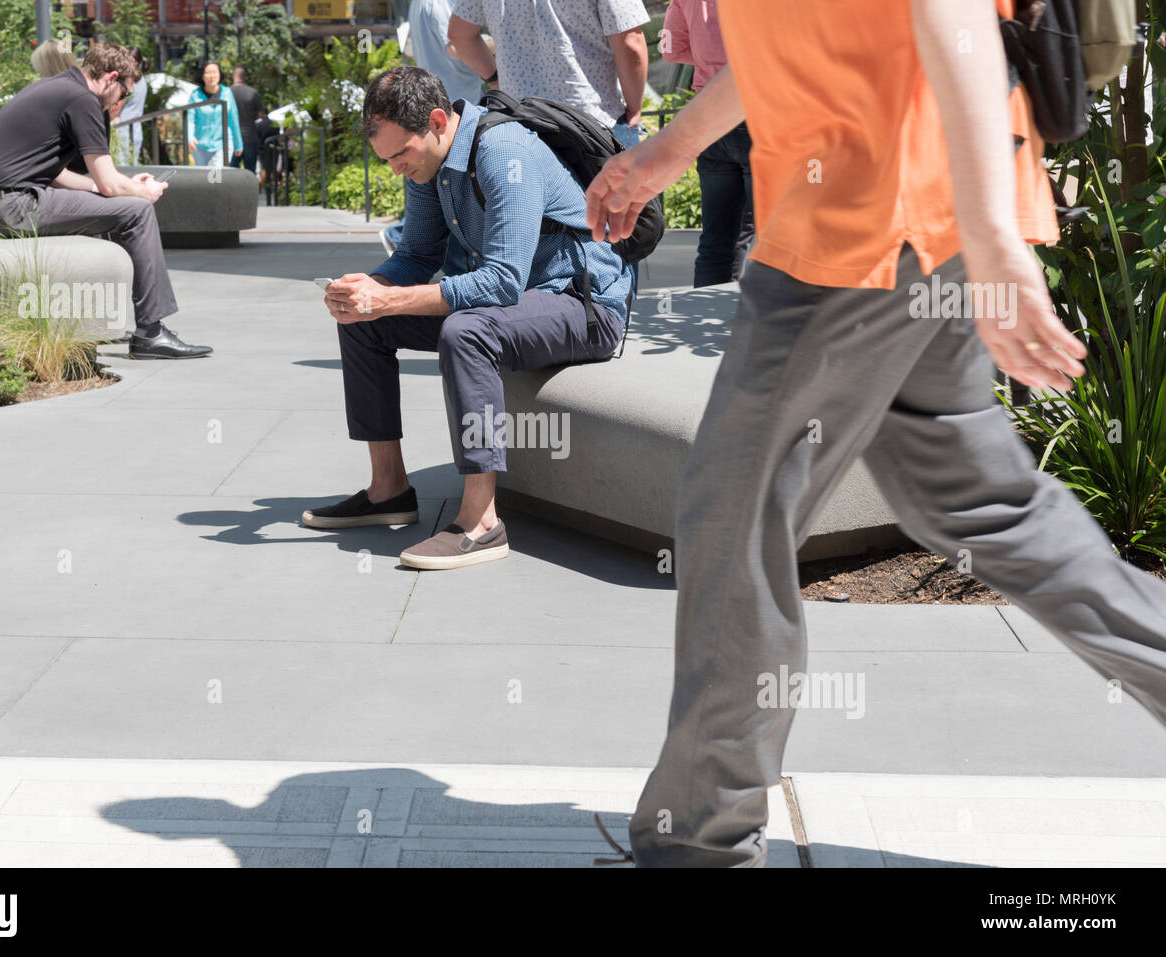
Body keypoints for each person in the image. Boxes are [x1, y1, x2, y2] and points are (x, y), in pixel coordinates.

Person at [584, 0, 1166, 867]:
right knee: (981, 503)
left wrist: (993, 234)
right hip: (919, 208)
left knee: (733, 514)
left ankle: (698, 843)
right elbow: (792, 31)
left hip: (868, 220)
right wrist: (663, 155)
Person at [303, 67, 631, 570]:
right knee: (364, 321)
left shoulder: (504, 153)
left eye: (400, 154)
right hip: (518, 304)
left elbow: (500, 283)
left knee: (467, 331)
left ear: (437, 121)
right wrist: (369, 289)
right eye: (386, 159)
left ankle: (482, 523)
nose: (395, 169)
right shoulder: (428, 164)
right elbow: (414, 254)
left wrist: (392, 299)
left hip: (583, 307)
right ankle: (389, 490)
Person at [0, 42, 212, 360]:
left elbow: (63, 177)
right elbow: (108, 184)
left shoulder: (59, 87)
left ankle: (99, 320)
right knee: (138, 212)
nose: (122, 100)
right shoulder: (83, 100)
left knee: (115, 203)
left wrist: (126, 185)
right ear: (112, 78)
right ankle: (151, 332)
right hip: (8, 206)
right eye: (125, 92)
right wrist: (141, 193)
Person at [447, 0, 650, 147]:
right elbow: (631, 43)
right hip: (591, 126)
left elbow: (459, 35)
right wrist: (634, 109)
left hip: (520, 127)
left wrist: (494, 79)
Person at [381, 0, 485, 265]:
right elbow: (456, 49)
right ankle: (402, 233)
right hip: (451, 118)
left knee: (445, 214)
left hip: (440, 117)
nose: (394, 168)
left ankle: (403, 233)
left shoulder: (421, 4)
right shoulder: (440, 5)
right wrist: (495, 51)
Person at [661, 0, 754, 286]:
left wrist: (708, 59)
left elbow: (669, 50)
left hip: (708, 117)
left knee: (717, 239)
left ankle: (706, 318)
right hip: (756, 111)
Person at [187, 61, 242, 168]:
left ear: (220, 74)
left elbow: (233, 120)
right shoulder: (195, 95)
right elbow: (190, 119)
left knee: (215, 175)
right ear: (202, 76)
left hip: (223, 143)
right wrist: (190, 137)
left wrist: (238, 144)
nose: (212, 76)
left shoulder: (227, 93)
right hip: (200, 144)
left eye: (215, 72)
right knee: (204, 178)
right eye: (208, 72)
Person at [113, 45, 149, 167]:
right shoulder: (142, 79)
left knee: (123, 167)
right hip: (136, 128)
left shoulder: (129, 81)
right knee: (132, 165)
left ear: (134, 62)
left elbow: (116, 108)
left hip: (124, 129)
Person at [228, 65, 265, 174]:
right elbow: (261, 114)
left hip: (231, 137)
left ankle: (230, 191)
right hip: (250, 136)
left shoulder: (226, 93)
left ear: (233, 76)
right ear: (245, 78)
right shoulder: (253, 93)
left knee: (230, 171)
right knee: (250, 171)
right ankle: (250, 191)